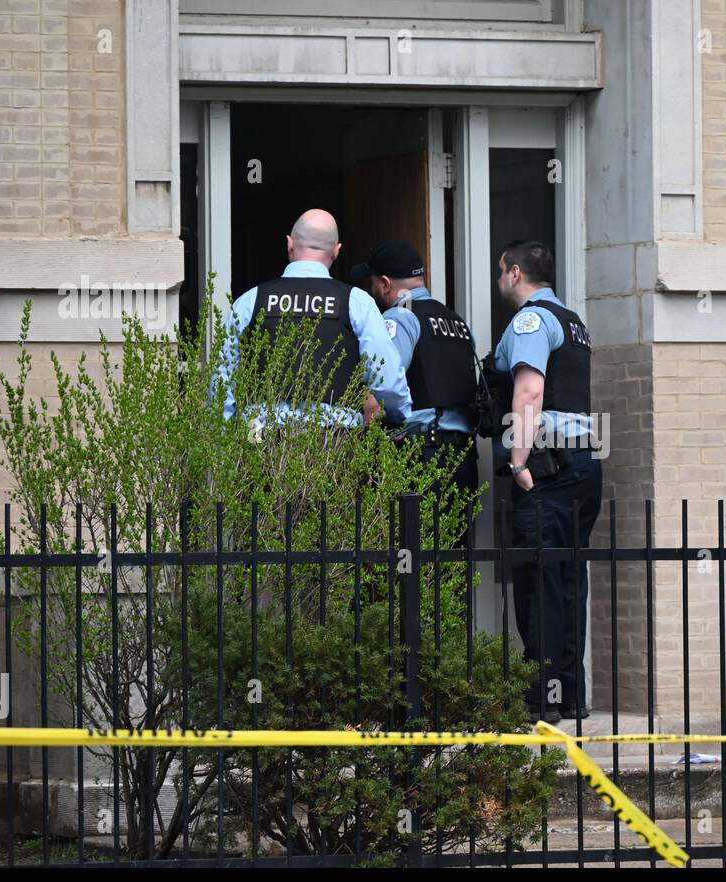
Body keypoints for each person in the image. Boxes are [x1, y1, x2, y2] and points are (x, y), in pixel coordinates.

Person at [493, 240, 601, 724]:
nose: (499, 282)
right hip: (582, 466)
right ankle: (570, 693)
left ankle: (543, 700)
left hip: (548, 468)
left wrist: (518, 463)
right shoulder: (574, 322)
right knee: (568, 579)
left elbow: (530, 389)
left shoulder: (531, 320)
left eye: (501, 273)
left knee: (539, 582)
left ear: (515, 273)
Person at [219, 209, 411, 429]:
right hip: (333, 445)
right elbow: (386, 379)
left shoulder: (250, 301)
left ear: (289, 244)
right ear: (337, 251)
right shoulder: (357, 303)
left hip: (261, 439)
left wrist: (225, 438)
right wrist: (402, 417)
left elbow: (222, 381)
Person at [352, 240, 479, 501]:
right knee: (454, 541)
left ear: (386, 284)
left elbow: (380, 390)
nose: (373, 290)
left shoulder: (400, 317)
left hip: (421, 455)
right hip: (462, 458)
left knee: (409, 540)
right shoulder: (456, 321)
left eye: (373, 283)